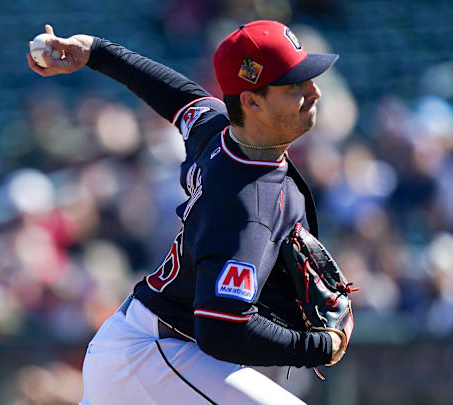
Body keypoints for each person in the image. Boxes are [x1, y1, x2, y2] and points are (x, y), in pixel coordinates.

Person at [28, 20, 345, 405]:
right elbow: (220, 327)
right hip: (157, 356)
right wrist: (317, 347)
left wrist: (96, 51)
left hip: (149, 350)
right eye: (294, 84)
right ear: (251, 101)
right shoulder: (246, 207)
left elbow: (175, 96)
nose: (314, 91)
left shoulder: (217, 131)